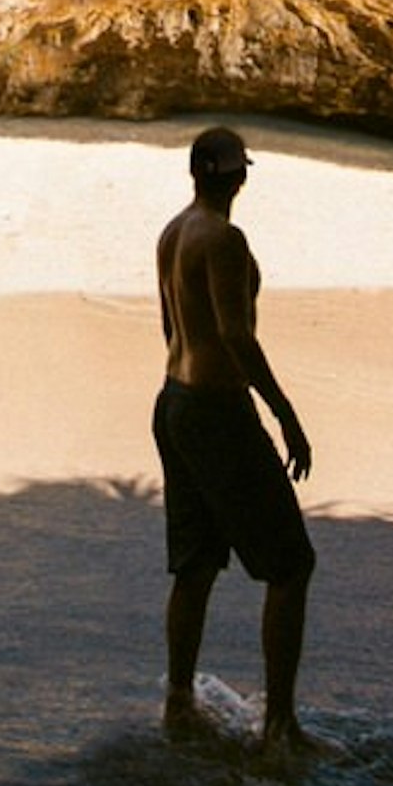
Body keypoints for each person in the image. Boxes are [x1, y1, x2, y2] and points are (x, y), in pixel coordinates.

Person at [153, 124, 315, 753]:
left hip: (173, 403)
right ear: (239, 177)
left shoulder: (173, 232)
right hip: (217, 411)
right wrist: (284, 414)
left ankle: (178, 704)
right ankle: (279, 729)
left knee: (195, 565)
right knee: (292, 564)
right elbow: (235, 336)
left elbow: (170, 325)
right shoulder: (222, 238)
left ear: (197, 174)